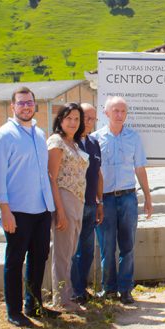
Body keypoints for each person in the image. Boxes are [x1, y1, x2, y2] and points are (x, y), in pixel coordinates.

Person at [0, 86, 59, 327]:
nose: (26, 106)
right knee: (15, 260)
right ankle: (14, 311)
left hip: (41, 209)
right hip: (17, 211)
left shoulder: (39, 134)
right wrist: (4, 210)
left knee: (39, 257)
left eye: (29, 102)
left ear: (35, 105)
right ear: (13, 107)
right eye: (21, 103)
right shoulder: (4, 135)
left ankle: (34, 304)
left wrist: (51, 209)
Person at [95, 96, 153, 304]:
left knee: (127, 246)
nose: (119, 115)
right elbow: (93, 172)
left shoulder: (133, 138)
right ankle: (108, 288)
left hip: (128, 197)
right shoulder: (96, 139)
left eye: (123, 111)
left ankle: (126, 289)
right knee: (107, 246)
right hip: (105, 200)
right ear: (106, 113)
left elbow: (139, 168)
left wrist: (147, 196)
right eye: (115, 111)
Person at [47, 103, 90, 312]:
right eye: (69, 118)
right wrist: (59, 210)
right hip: (64, 199)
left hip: (78, 200)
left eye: (76, 119)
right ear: (60, 120)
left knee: (70, 250)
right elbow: (51, 177)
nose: (73, 122)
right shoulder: (56, 142)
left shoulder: (75, 143)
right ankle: (61, 299)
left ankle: (68, 294)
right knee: (62, 252)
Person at [70, 103, 104, 305]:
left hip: (91, 204)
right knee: (72, 251)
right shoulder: (67, 142)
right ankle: (74, 291)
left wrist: (100, 201)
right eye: (87, 118)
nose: (90, 123)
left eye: (93, 119)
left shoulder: (93, 143)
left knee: (88, 251)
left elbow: (98, 174)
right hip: (74, 205)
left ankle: (81, 289)